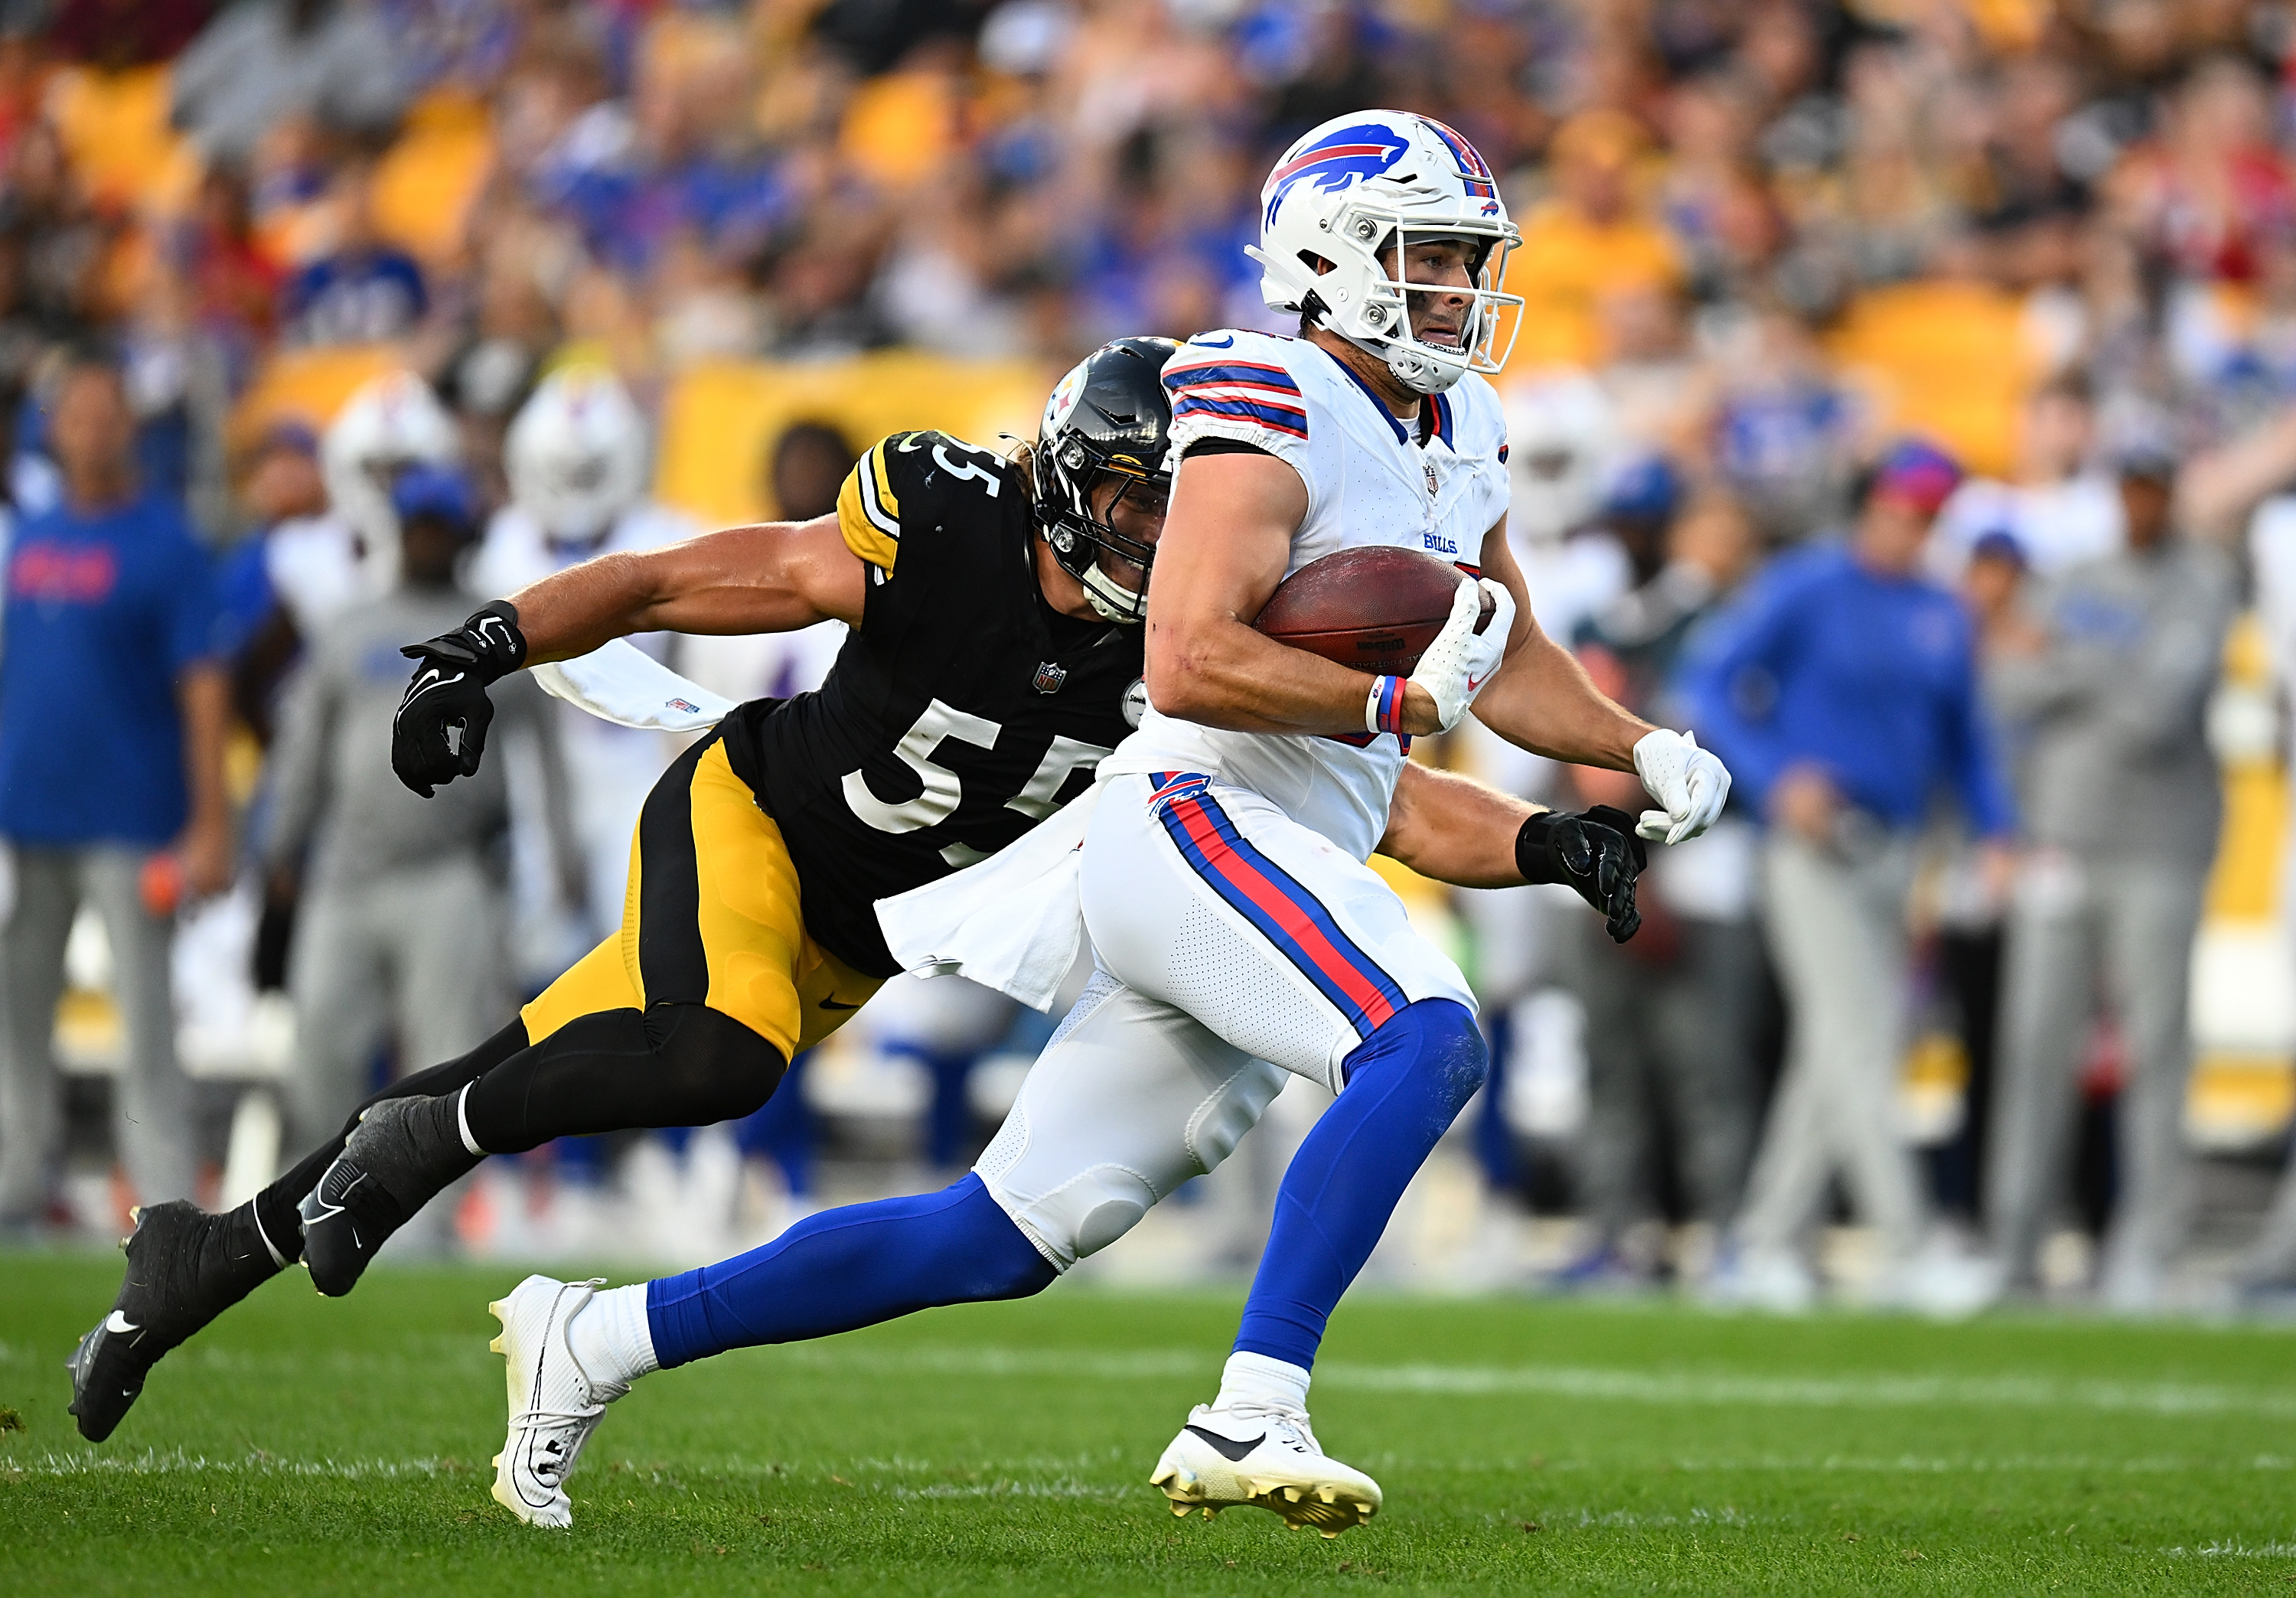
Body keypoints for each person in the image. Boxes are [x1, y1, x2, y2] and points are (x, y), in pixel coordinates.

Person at [478, 112, 1728, 1538]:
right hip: (1193, 811)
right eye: (1426, 256)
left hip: (1286, 844)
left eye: (1464, 260)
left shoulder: (1467, 423)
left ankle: (599, 1334)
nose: (1455, 289)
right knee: (1426, 1033)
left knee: (998, 1235)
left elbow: (1501, 656)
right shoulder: (1269, 392)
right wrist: (1391, 700)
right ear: (1331, 253)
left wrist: (1637, 754)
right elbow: (1190, 661)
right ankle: (1253, 1404)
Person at [65, 336, 1176, 1443]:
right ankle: (425, 1145)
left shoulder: (1184, 640)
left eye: (1178, 512)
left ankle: (198, 1264)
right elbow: (658, 584)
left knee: (515, 1064)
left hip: (854, 939)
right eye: (1138, 505)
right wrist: (476, 651)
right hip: (752, 819)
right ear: (1072, 475)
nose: (1160, 540)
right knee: (722, 1055)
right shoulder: (945, 531)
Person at [1683, 440, 2015, 1314]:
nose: (1920, 527)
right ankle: (1906, 1245)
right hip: (1811, 848)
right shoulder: (1807, 584)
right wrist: (1772, 775)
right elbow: (1710, 683)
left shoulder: (1943, 609)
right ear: (1870, 506)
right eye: (1908, 509)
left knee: (1837, 1046)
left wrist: (1999, 832)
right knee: (1864, 1039)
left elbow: (1967, 739)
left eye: (1934, 514)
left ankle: (1759, 1246)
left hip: (1898, 849)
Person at [1984, 443, 2236, 1309]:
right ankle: (2013, 1248)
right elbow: (2009, 686)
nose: (2141, 504)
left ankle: (2148, 1251)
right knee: (2034, 1046)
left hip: (2161, 848)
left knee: (2156, 1050)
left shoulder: (2204, 578)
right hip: (2061, 839)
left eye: (2153, 488)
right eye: (2128, 488)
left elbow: (2159, 716)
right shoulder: (2075, 574)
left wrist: (2071, 663)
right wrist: (2085, 667)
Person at [263, 464, 574, 1156]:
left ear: (463, 534)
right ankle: (320, 1197)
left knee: (446, 1060)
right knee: (319, 1045)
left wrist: (563, 856)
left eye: (442, 527)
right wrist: (282, 849)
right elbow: (305, 749)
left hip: (452, 870)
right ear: (399, 532)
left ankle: (428, 1227)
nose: (429, 539)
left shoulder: (498, 631)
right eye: (418, 526)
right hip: (345, 869)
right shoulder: (349, 626)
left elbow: (545, 753)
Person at [0, 351, 230, 1233]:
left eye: (106, 416)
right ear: (54, 431)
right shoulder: (31, 536)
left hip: (131, 821)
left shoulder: (165, 542)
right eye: (76, 417)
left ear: (128, 428)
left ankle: (165, 1192)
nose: (91, 431)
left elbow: (204, 691)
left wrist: (211, 824)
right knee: (18, 1016)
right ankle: (20, 1178)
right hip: (28, 814)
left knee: (144, 1017)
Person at [471, 367, 696, 947]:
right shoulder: (499, 547)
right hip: (535, 770)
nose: (572, 479)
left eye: (587, 467)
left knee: (648, 939)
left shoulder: (670, 535)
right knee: (540, 946)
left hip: (639, 764)